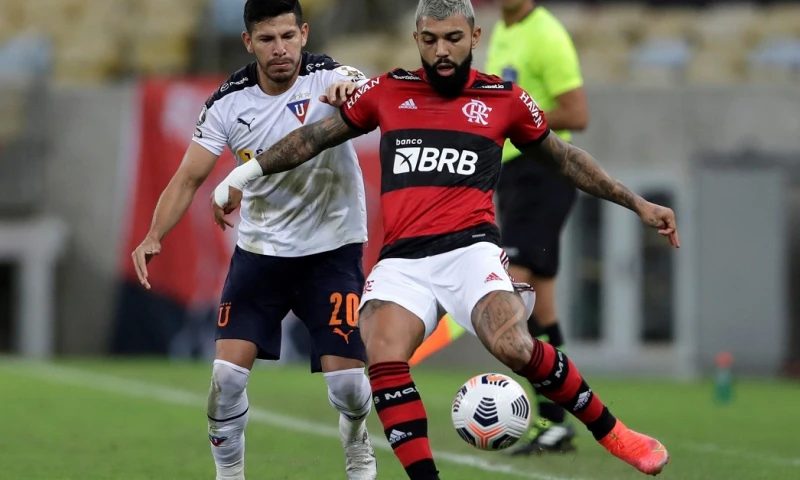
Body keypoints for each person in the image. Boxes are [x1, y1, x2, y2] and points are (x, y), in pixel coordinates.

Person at [212, 0, 678, 478]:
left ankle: (615, 433)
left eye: (453, 38)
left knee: (513, 345)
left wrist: (637, 202)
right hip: (402, 259)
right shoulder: (389, 91)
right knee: (380, 346)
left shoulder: (504, 99)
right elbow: (313, 138)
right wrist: (243, 175)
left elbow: (567, 158)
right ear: (417, 40)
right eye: (430, 39)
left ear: (474, 38)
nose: (442, 50)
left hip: (470, 251)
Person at [130, 1, 378, 479]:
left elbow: (357, 83)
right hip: (262, 252)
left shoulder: (327, 77)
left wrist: (354, 87)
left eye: (289, 36)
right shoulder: (229, 102)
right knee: (225, 378)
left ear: (304, 34)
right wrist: (153, 235)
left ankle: (356, 435)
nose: (280, 49)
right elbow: (187, 178)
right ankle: (229, 475)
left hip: (333, 249)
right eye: (267, 39)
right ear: (249, 42)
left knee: (347, 385)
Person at [485, 0, 588, 455]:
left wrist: (518, 121)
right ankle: (554, 424)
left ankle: (528, 414)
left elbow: (577, 113)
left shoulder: (547, 34)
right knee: (540, 306)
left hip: (543, 175)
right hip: (514, 178)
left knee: (515, 293)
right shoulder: (502, 31)